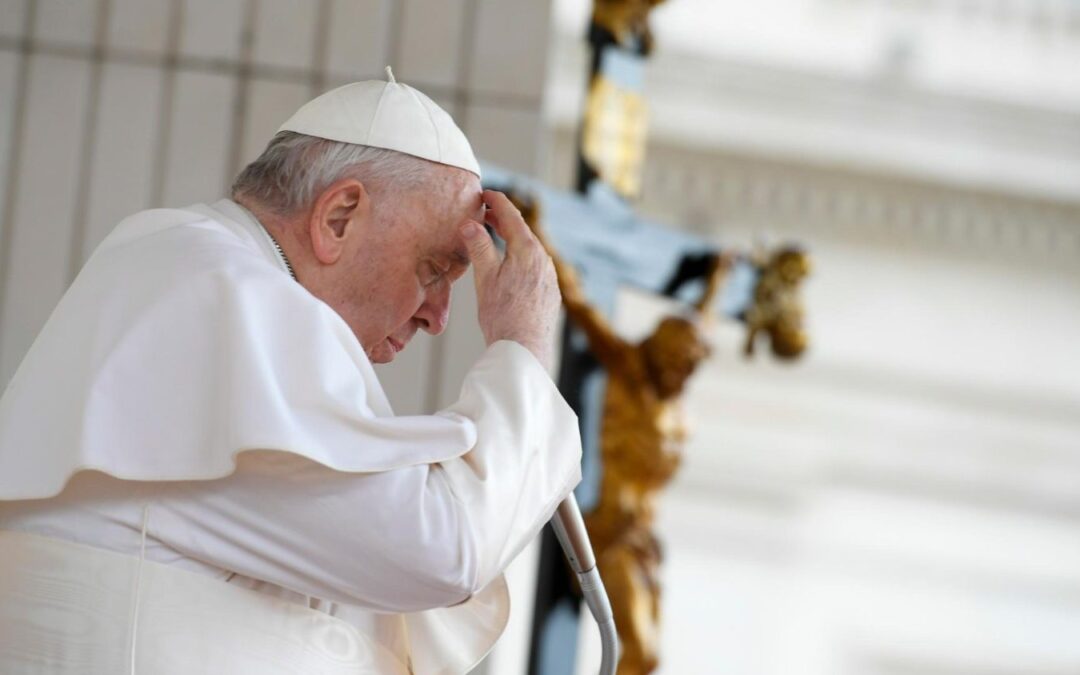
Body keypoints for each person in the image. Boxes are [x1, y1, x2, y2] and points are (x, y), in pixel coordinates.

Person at [0, 71, 583, 674]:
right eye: (435, 269)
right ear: (338, 217)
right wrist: (523, 347)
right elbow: (440, 552)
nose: (438, 317)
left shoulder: (202, 271)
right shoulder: (220, 288)